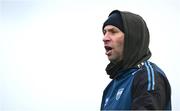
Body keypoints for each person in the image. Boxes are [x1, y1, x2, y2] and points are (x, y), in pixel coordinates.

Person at [100, 10, 171, 110]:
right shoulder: (109, 89)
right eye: (104, 32)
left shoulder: (148, 76)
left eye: (113, 32)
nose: (105, 38)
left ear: (132, 37)